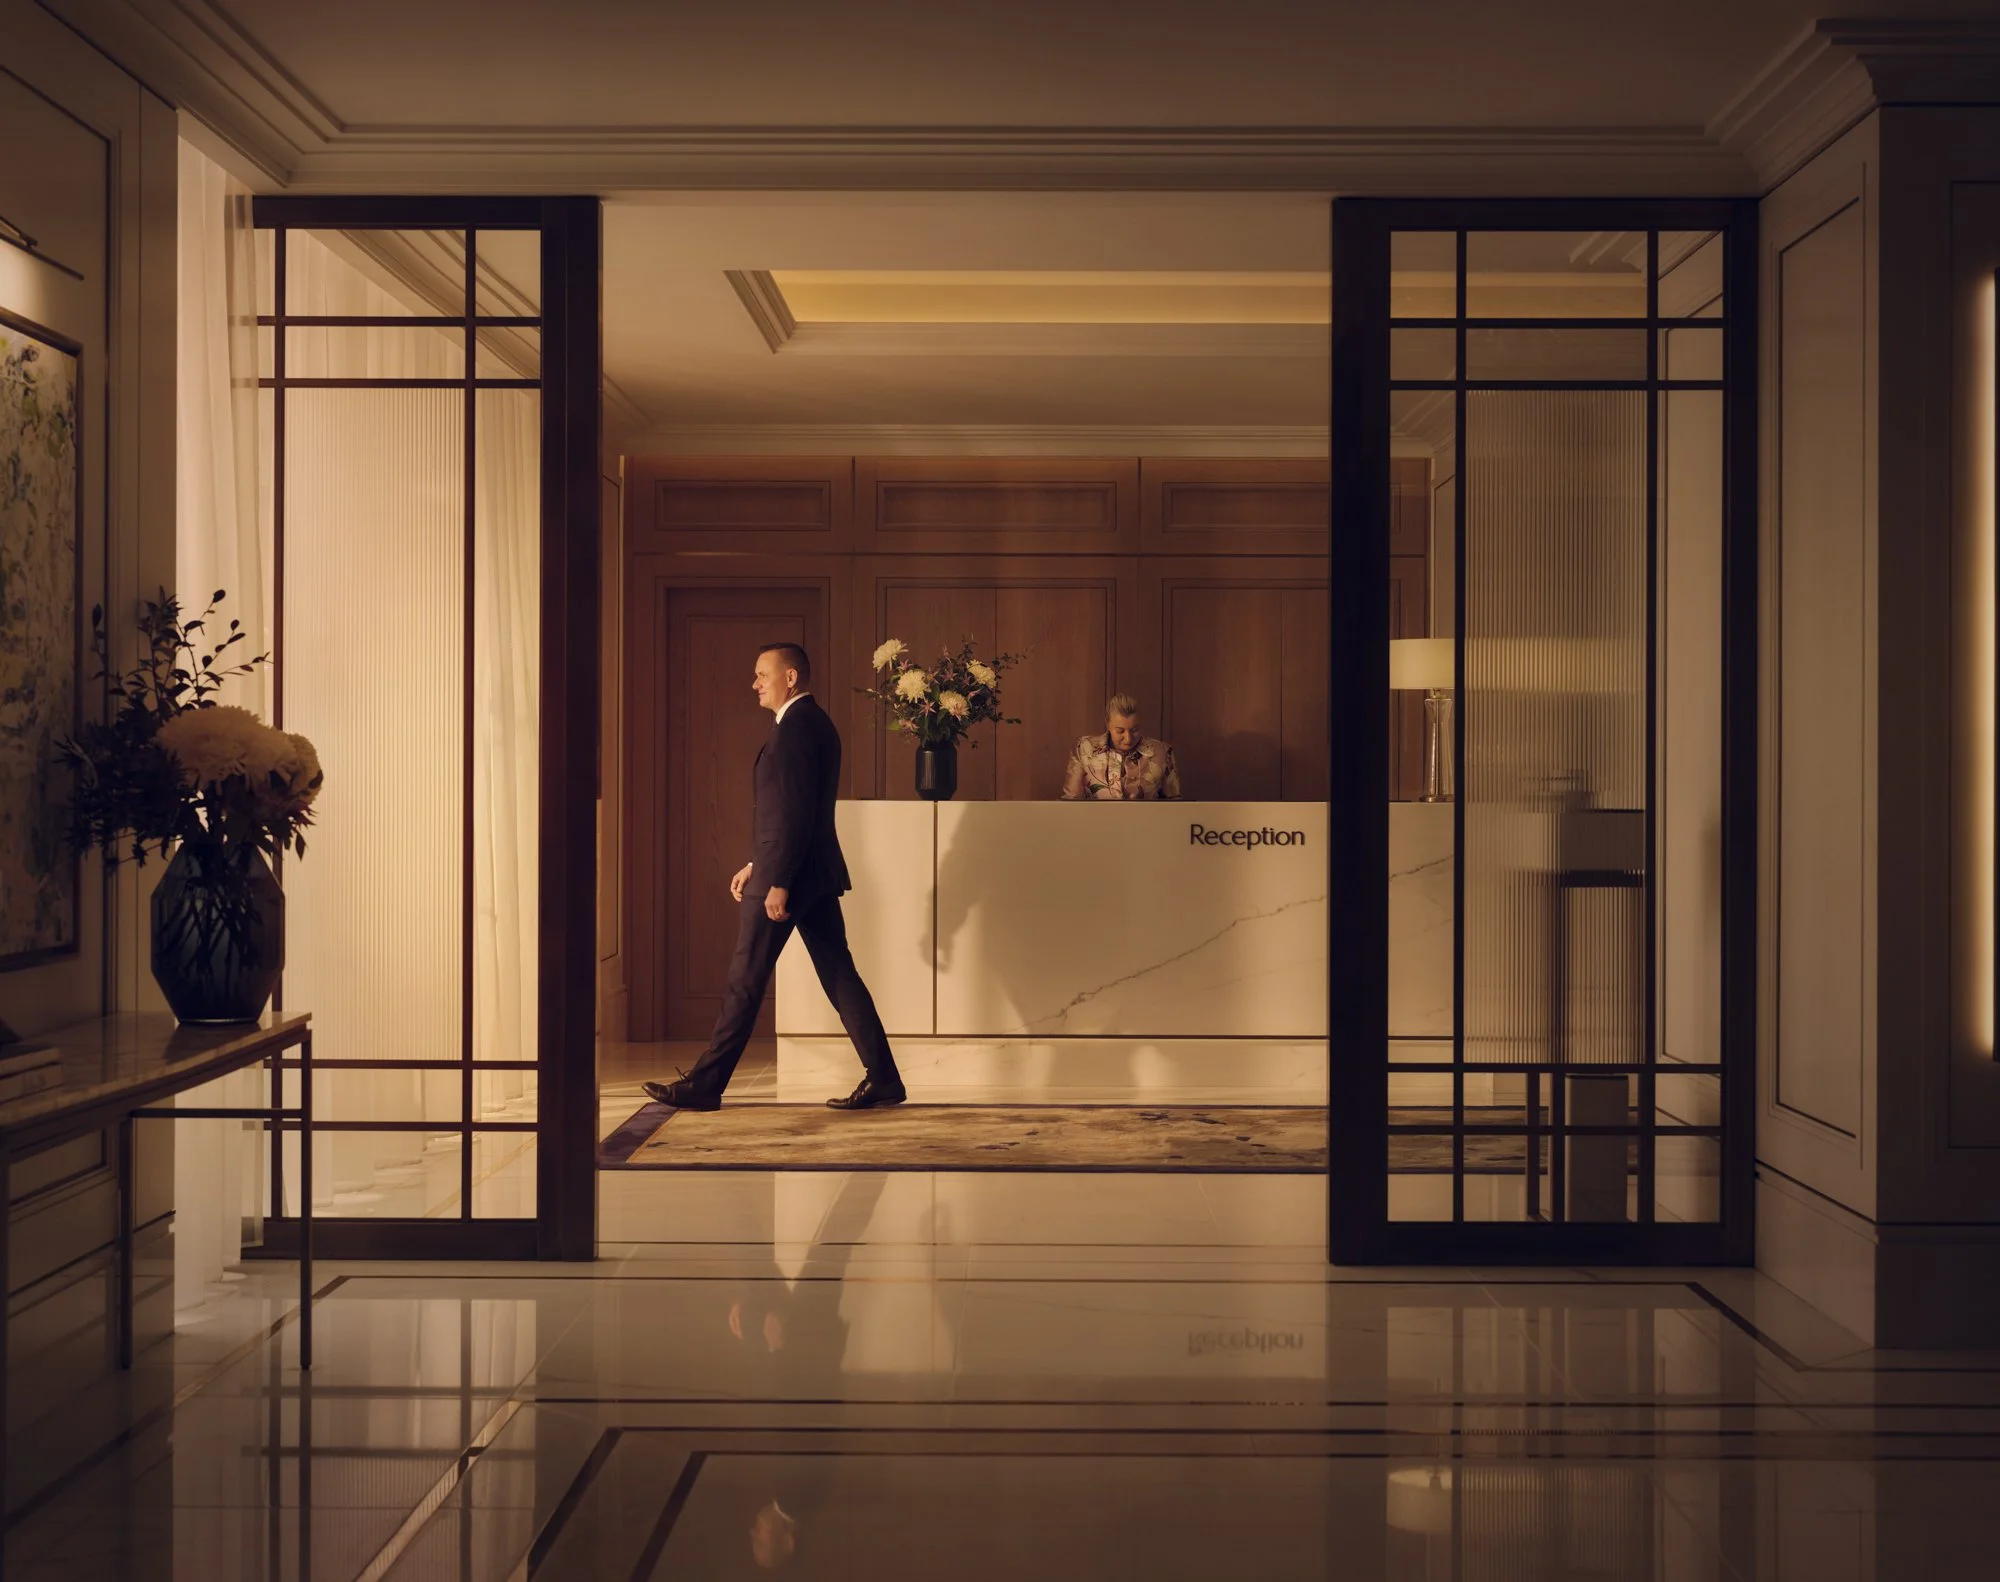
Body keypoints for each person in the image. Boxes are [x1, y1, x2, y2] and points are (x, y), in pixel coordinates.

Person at [644, 643, 906, 1112]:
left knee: (746, 979)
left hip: (793, 875)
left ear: (790, 677)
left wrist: (777, 877)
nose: (755, 683)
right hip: (807, 871)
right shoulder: (808, 723)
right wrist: (757, 864)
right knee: (840, 975)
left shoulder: (796, 728)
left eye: (762, 674)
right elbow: (788, 812)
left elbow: (794, 813)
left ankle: (706, 1085)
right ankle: (885, 1078)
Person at [1060, 692, 1182, 801]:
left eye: (1135, 730)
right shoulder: (1083, 748)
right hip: (1096, 824)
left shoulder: (1162, 751)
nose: (1128, 738)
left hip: (1147, 823)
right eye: (1120, 731)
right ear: (1107, 724)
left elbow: (1174, 804)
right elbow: (1071, 801)